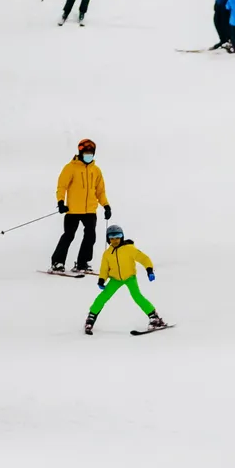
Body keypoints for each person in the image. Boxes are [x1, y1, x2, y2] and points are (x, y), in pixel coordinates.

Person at [85, 224, 166, 333]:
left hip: (129, 277)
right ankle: (91, 317)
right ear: (108, 239)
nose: (115, 240)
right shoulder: (107, 254)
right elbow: (104, 269)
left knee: (137, 296)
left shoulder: (129, 249)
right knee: (102, 298)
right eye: (112, 238)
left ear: (122, 237)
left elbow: (144, 258)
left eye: (117, 237)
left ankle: (155, 318)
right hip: (115, 279)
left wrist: (149, 270)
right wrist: (101, 280)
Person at [52, 138, 109, 274]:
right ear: (80, 153)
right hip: (73, 210)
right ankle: (57, 262)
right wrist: (61, 202)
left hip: (90, 211)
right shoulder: (70, 168)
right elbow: (62, 186)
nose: (89, 155)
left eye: (91, 153)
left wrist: (106, 206)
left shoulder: (96, 170)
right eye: (86, 153)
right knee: (68, 235)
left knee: (90, 237)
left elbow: (100, 191)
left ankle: (82, 263)